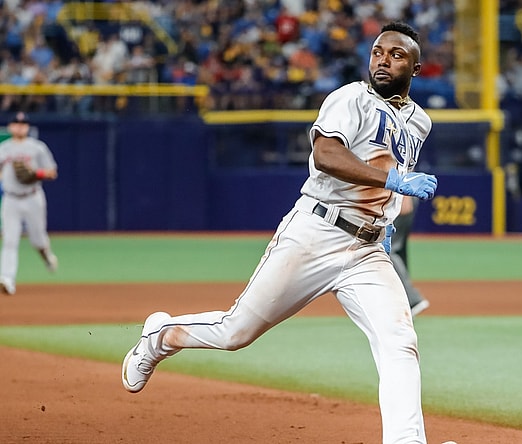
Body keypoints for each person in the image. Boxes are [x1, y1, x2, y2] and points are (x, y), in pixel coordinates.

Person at [121, 22, 448, 444]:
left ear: (416, 68)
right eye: (377, 52)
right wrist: (394, 185)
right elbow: (327, 154)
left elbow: (382, 168)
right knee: (235, 332)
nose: (383, 60)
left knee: (399, 340)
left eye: (396, 55)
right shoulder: (350, 98)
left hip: (366, 250)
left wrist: (383, 222)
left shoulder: (419, 122)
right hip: (316, 232)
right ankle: (159, 337)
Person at [0, 112, 59, 295]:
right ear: (10, 127)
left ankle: (47, 256)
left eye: (23, 124)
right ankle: (7, 279)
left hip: (33, 197)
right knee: (9, 241)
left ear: (28, 127)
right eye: (16, 124)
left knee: (38, 240)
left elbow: (52, 172)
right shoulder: (3, 148)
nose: (20, 127)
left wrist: (36, 173)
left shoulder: (37, 148)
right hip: (10, 199)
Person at [390, 195, 430, 316]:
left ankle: (412, 300)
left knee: (387, 250)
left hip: (398, 198)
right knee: (398, 250)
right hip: (395, 197)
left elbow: (403, 175)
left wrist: (404, 198)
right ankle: (402, 300)